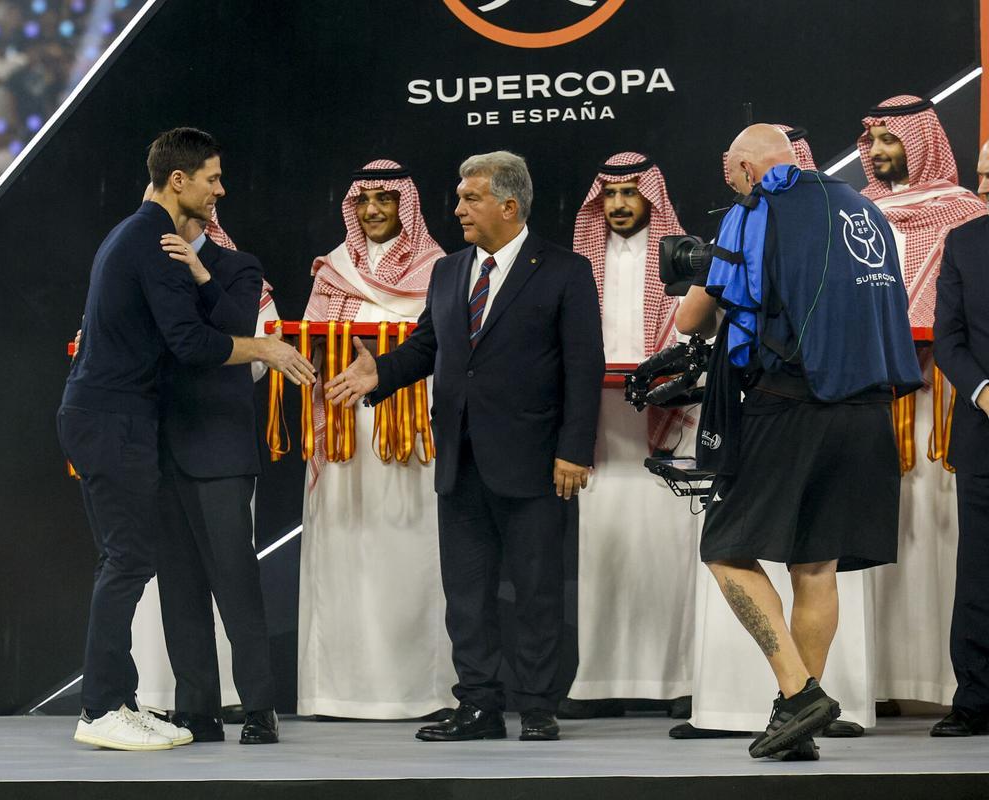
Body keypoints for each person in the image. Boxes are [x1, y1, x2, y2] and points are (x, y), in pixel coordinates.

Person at [326, 151, 604, 741]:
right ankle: (478, 705)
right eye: (458, 197)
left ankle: (536, 707)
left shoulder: (563, 270)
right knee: (467, 595)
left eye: (470, 198)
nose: (457, 209)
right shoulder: (450, 271)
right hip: (460, 457)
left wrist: (574, 450)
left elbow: (584, 368)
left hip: (534, 460)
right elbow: (430, 345)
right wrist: (380, 373)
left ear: (509, 205)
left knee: (535, 590)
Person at [57, 126, 313, 751]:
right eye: (213, 179)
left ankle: (224, 706)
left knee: (174, 570)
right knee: (141, 569)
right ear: (180, 181)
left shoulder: (161, 244)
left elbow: (214, 323)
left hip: (170, 439)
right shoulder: (149, 241)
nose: (221, 191)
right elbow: (191, 344)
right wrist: (265, 348)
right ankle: (116, 708)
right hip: (131, 431)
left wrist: (203, 275)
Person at [675, 124, 920, 759]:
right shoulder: (862, 208)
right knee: (816, 564)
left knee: (726, 550)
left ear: (751, 168)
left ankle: (797, 693)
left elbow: (693, 318)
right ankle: (795, 722)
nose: (729, 183)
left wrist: (705, 269)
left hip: (789, 405)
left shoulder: (752, 209)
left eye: (730, 171)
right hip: (869, 411)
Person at [297, 160, 457, 719]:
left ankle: (418, 693)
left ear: (404, 206)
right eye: (364, 201)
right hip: (343, 434)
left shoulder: (439, 269)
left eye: (385, 201)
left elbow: (442, 349)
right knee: (344, 550)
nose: (373, 211)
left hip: (409, 436)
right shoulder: (332, 270)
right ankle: (335, 691)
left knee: (409, 554)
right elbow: (309, 345)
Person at [858, 95, 988, 706]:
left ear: (923, 141)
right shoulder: (857, 215)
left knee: (947, 533)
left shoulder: (961, 212)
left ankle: (943, 683)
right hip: (874, 395)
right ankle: (881, 679)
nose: (882, 152)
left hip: (946, 404)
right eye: (875, 140)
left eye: (893, 138)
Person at [565, 152, 696, 717]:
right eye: (610, 194)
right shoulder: (578, 262)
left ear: (651, 198)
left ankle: (680, 683)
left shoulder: (684, 254)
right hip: (601, 424)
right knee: (604, 552)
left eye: (629, 193)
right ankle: (598, 684)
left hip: (671, 418)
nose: (619, 205)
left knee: (671, 551)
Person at [931, 204, 989, 736]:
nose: (985, 186)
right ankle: (975, 700)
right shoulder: (964, 241)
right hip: (982, 435)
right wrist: (984, 392)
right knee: (978, 575)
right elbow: (947, 339)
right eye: (983, 174)